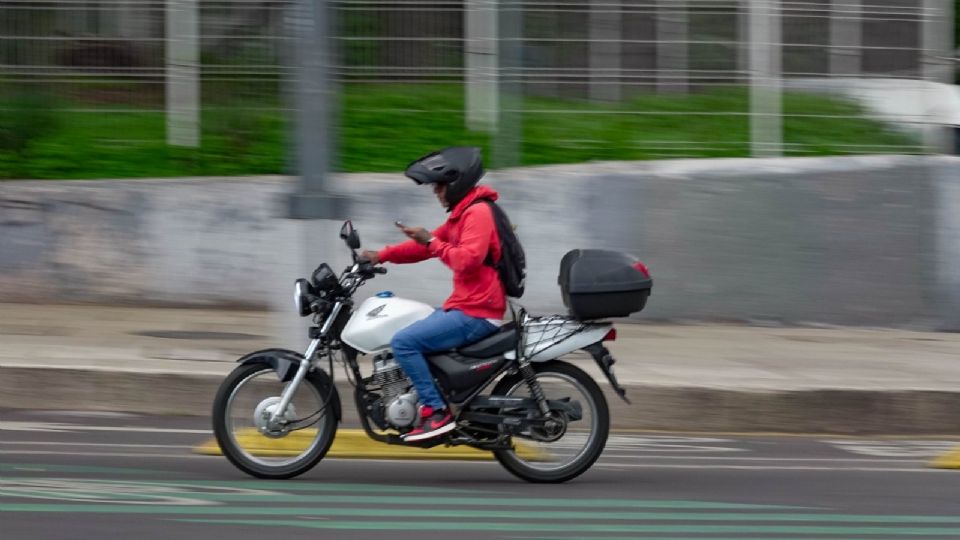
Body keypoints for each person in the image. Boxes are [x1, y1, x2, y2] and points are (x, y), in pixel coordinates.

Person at [361, 147, 505, 442]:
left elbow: (466, 260)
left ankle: (436, 411)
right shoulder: (464, 214)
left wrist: (432, 242)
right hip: (466, 306)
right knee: (411, 326)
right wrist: (382, 255)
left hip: (477, 312)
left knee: (404, 342)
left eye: (439, 186)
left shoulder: (477, 213)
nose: (436, 192)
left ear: (456, 182)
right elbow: (424, 247)